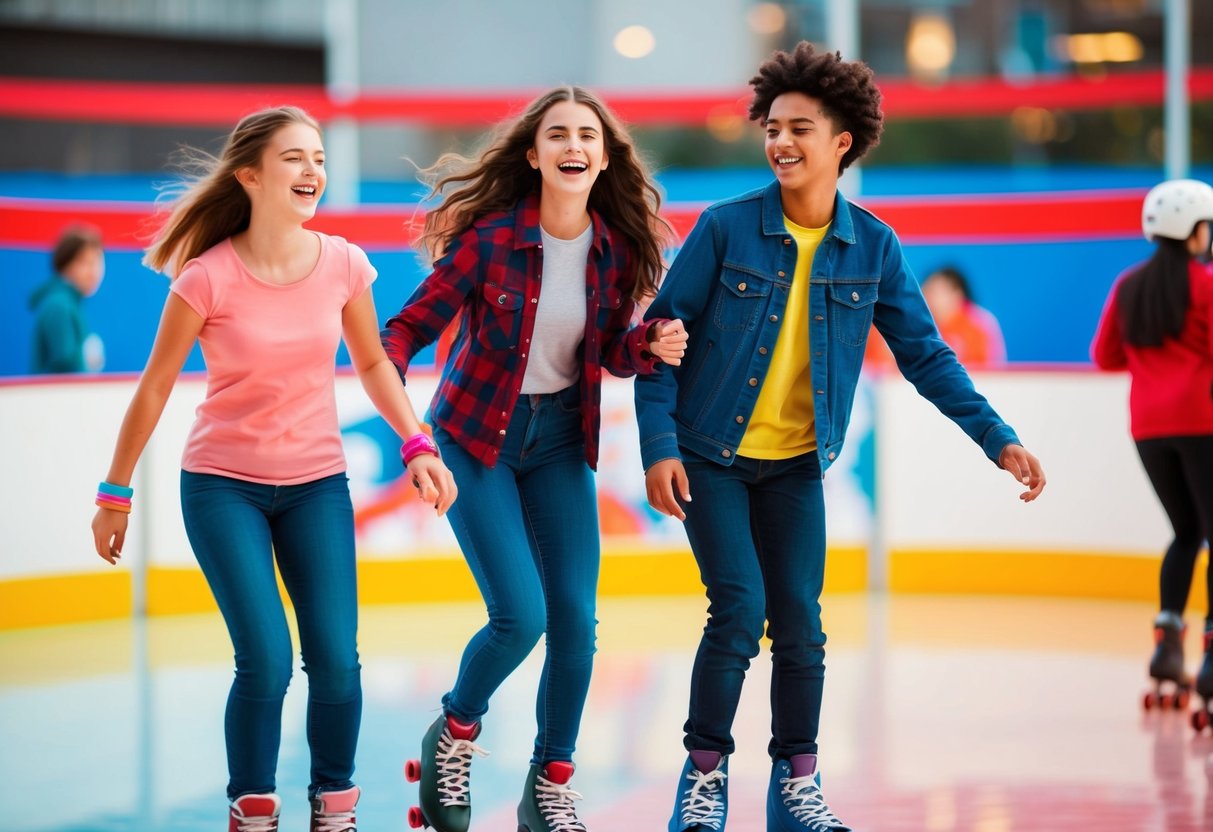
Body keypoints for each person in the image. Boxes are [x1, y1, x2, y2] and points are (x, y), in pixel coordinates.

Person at [634, 43, 1046, 832]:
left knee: (800, 622)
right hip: (708, 455)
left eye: (800, 128)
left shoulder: (874, 248)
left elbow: (925, 354)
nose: (780, 142)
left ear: (841, 142)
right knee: (737, 610)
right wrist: (658, 448)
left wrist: (995, 437)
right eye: (772, 128)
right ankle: (704, 778)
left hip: (794, 464)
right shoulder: (723, 231)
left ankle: (796, 787)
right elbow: (654, 349)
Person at [89, 106, 456, 832]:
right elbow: (155, 387)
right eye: (294, 157)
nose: (312, 170)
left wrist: (417, 444)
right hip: (224, 487)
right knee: (265, 659)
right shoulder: (206, 278)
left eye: (317, 156)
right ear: (250, 175)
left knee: (338, 663)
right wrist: (115, 492)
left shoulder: (345, 263)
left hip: (316, 485)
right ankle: (252, 807)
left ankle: (335, 808)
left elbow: (376, 362)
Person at [380, 85, 687, 832]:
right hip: (474, 439)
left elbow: (609, 354)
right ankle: (453, 733)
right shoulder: (489, 241)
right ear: (534, 154)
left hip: (557, 444)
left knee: (576, 626)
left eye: (587, 135)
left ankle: (547, 787)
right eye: (557, 135)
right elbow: (403, 330)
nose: (572, 145)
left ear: (604, 156)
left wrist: (644, 346)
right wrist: (407, 426)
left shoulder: (613, 251)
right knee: (519, 616)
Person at [1091, 178, 1213, 717]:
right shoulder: (1204, 284)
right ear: (1194, 230)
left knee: (1185, 533)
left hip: (1148, 427)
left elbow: (1105, 355)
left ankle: (1167, 648)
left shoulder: (1128, 286)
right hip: (1202, 420)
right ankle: (1210, 656)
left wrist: (1153, 368)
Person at [863, 265, 1006, 372]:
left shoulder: (978, 324)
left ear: (957, 294)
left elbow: (987, 372)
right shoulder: (901, 320)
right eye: (926, 290)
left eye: (935, 291)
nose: (928, 297)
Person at [29, 224, 106, 373]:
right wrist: (86, 357)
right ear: (65, 265)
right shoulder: (59, 305)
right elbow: (65, 363)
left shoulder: (67, 303)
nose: (93, 271)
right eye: (84, 262)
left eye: (97, 261)